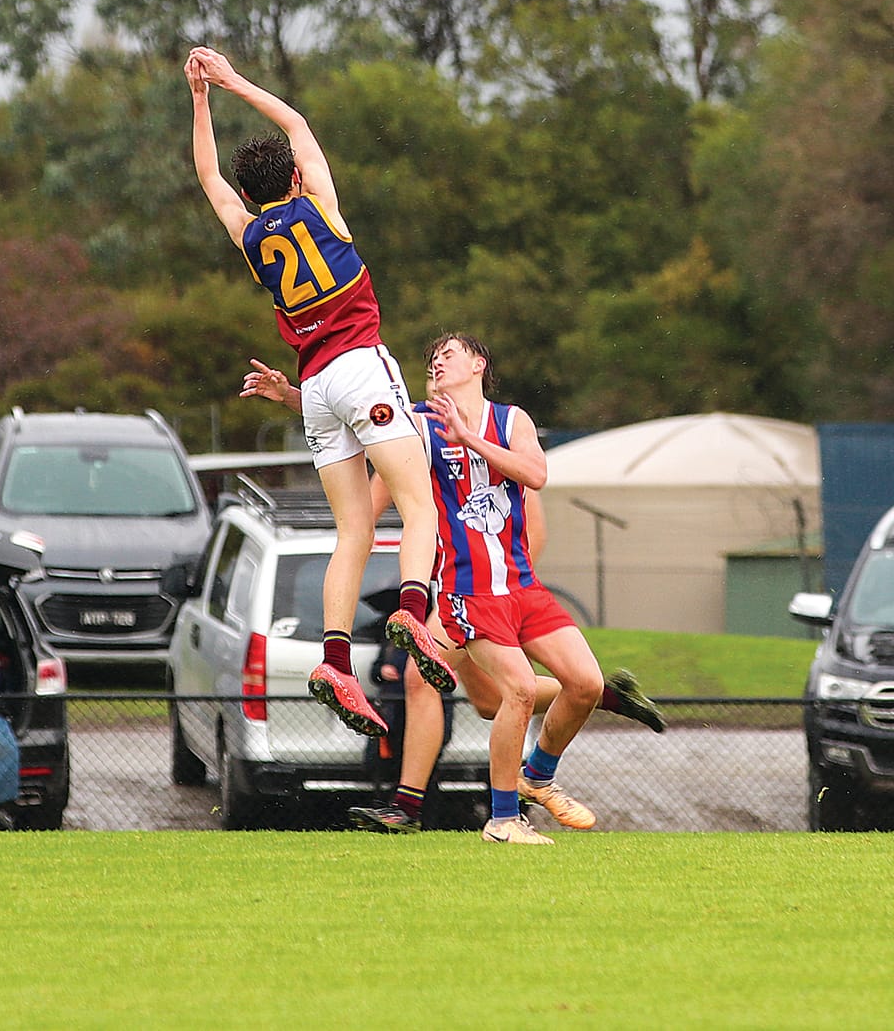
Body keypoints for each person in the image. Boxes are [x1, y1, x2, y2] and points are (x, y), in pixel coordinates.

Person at [243, 334, 665, 844]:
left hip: (521, 588)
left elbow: (535, 473)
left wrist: (471, 439)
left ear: (479, 364)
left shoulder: (512, 421)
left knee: (564, 688)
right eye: (432, 359)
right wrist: (293, 397)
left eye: (450, 353)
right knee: (500, 690)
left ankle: (540, 770)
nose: (437, 361)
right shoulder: (417, 425)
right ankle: (481, 815)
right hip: (463, 591)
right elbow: (355, 424)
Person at [185, 44, 443, 740]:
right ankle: (413, 613)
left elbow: (208, 175)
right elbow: (295, 122)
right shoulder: (322, 208)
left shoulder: (249, 236)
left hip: (317, 385)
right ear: (297, 176)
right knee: (420, 506)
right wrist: (232, 79)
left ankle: (334, 661)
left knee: (352, 531)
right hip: (361, 365)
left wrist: (199, 98)